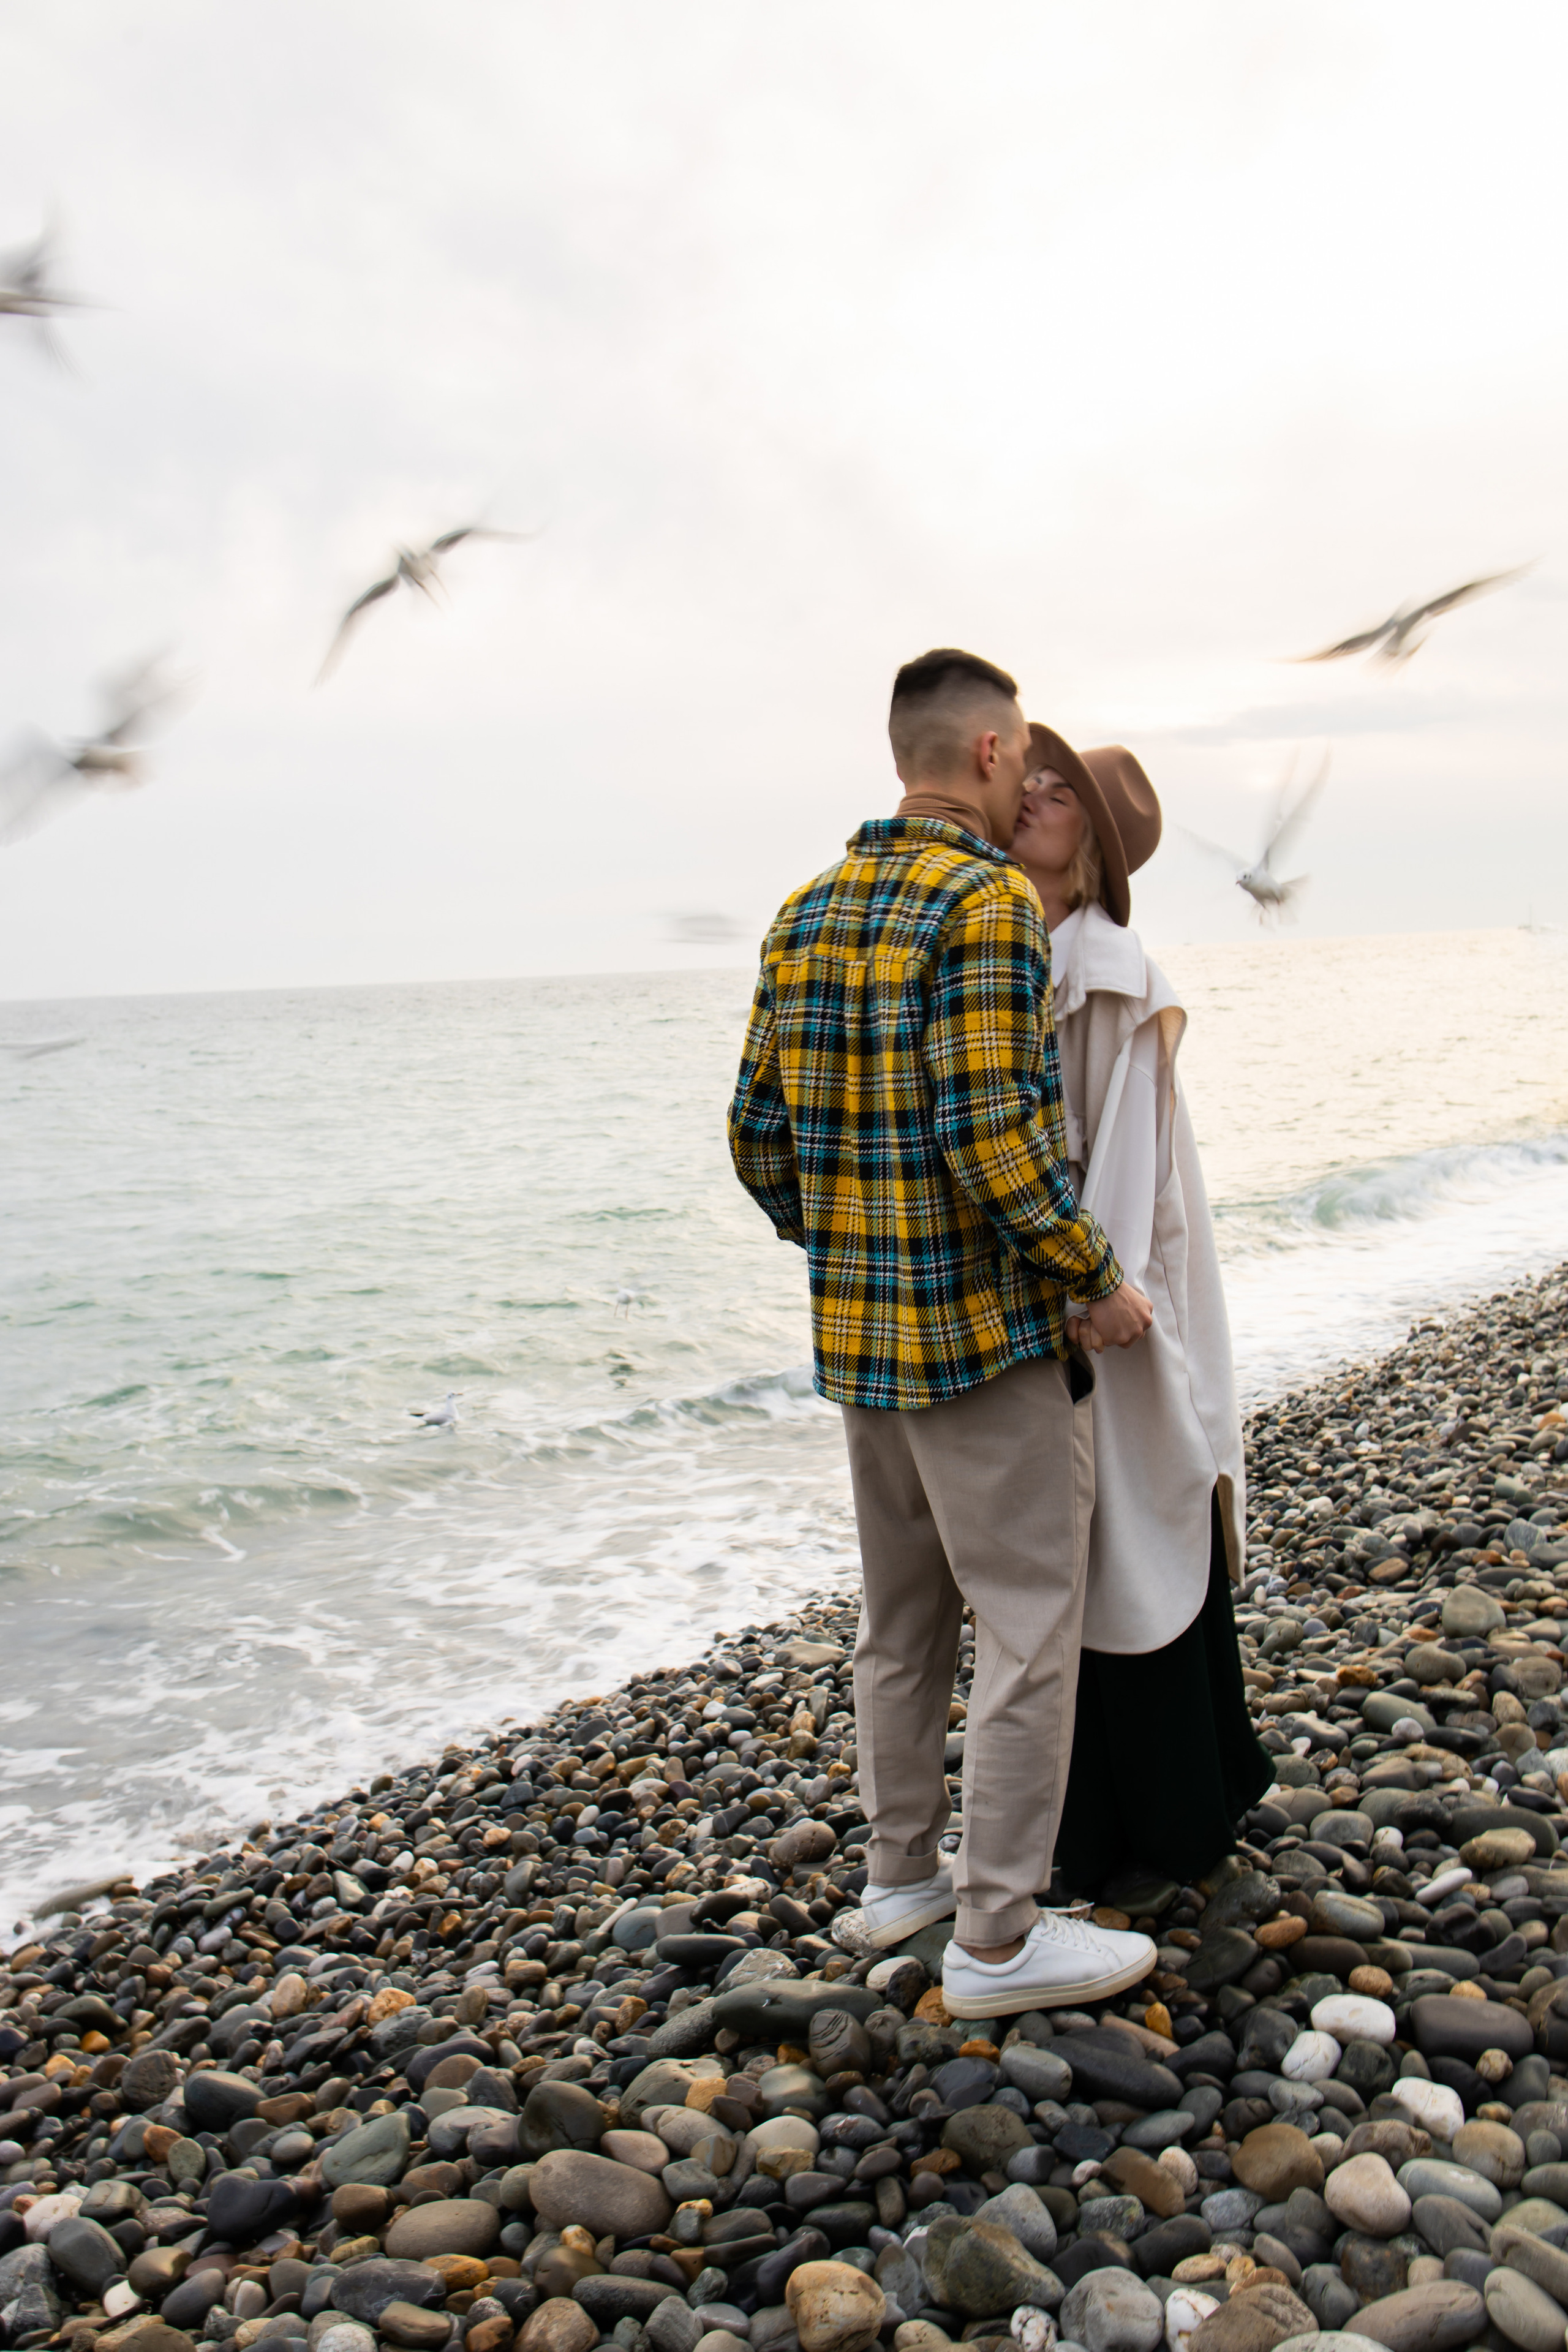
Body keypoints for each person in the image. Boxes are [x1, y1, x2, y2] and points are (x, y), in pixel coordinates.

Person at [727, 647, 1158, 2016]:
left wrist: (844, 1240)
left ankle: (898, 1877)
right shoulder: (981, 904)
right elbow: (994, 1139)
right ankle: (995, 1942)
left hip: (861, 1347)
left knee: (900, 1622)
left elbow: (754, 1138)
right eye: (1019, 755)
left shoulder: (804, 910)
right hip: (982, 1347)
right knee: (1030, 1626)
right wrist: (1095, 1275)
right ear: (984, 757)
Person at [1008, 728, 1272, 1894]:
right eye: (1030, 782)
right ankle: (1145, 1808)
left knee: (1135, 1526)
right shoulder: (1034, 947)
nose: (1032, 800)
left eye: (1058, 795)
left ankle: (1168, 1819)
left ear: (1096, 848)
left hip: (1114, 1295)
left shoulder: (1109, 965)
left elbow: (1122, 1155)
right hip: (1086, 1284)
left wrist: (1088, 1291)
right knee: (1101, 1539)